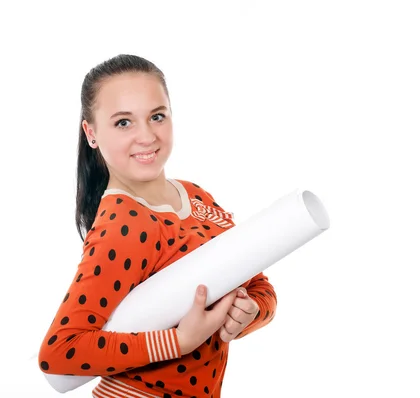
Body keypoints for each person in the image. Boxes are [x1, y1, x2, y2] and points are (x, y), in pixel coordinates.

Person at [38, 54, 277, 398]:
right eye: (123, 122)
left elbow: (260, 286)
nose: (147, 136)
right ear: (91, 133)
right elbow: (59, 354)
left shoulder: (197, 197)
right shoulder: (123, 221)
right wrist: (178, 341)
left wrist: (250, 314)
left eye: (157, 116)